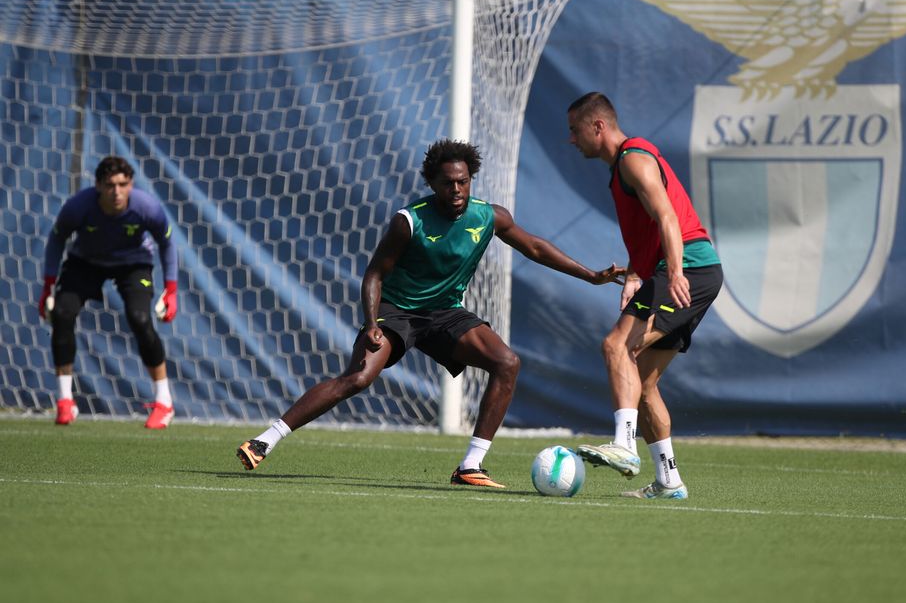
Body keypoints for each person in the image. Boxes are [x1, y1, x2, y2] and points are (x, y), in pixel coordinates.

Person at [236, 139, 623, 488]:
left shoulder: (489, 216)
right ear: (432, 183)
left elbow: (535, 248)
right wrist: (372, 323)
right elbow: (375, 273)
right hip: (397, 311)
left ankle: (470, 466)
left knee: (507, 363)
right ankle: (265, 440)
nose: (456, 190)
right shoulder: (410, 221)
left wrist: (591, 276)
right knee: (357, 378)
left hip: (445, 313)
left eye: (463, 182)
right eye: (447, 183)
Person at [566, 92, 724, 500]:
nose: (571, 140)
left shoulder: (633, 158)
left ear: (597, 126)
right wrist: (636, 272)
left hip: (688, 268)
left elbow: (668, 215)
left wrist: (672, 272)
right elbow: (651, 230)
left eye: (574, 130)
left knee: (615, 345)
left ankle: (625, 446)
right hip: (689, 269)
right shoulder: (622, 167)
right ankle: (669, 480)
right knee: (643, 379)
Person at [38, 155, 179, 429]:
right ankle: (65, 401)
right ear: (98, 185)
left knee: (140, 318)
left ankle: (164, 401)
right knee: (63, 314)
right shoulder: (78, 207)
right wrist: (48, 285)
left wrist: (171, 290)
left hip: (133, 263)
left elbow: (167, 241)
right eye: (110, 185)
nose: (117, 191)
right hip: (85, 262)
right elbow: (56, 239)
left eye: (123, 184)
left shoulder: (146, 207)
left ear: (131, 184)